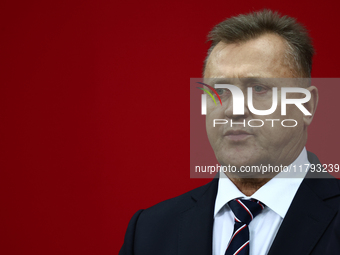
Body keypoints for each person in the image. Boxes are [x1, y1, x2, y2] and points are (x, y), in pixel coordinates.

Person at [119, 10, 340, 255]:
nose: (234, 110)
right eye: (220, 92)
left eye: (258, 88)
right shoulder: (149, 231)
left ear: (306, 106)